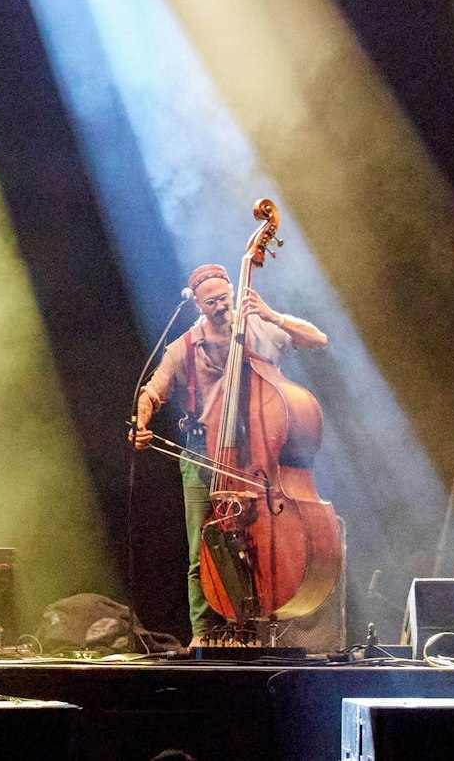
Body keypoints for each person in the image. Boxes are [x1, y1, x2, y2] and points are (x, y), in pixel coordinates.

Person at [130, 263, 327, 643]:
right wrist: (142, 423)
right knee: (200, 548)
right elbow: (152, 392)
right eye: (211, 302)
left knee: (257, 543)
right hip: (202, 453)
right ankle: (203, 635)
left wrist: (273, 315)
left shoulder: (257, 326)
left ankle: (256, 628)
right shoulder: (184, 345)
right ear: (198, 307)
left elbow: (317, 339)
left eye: (225, 298)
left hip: (256, 453)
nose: (221, 306)